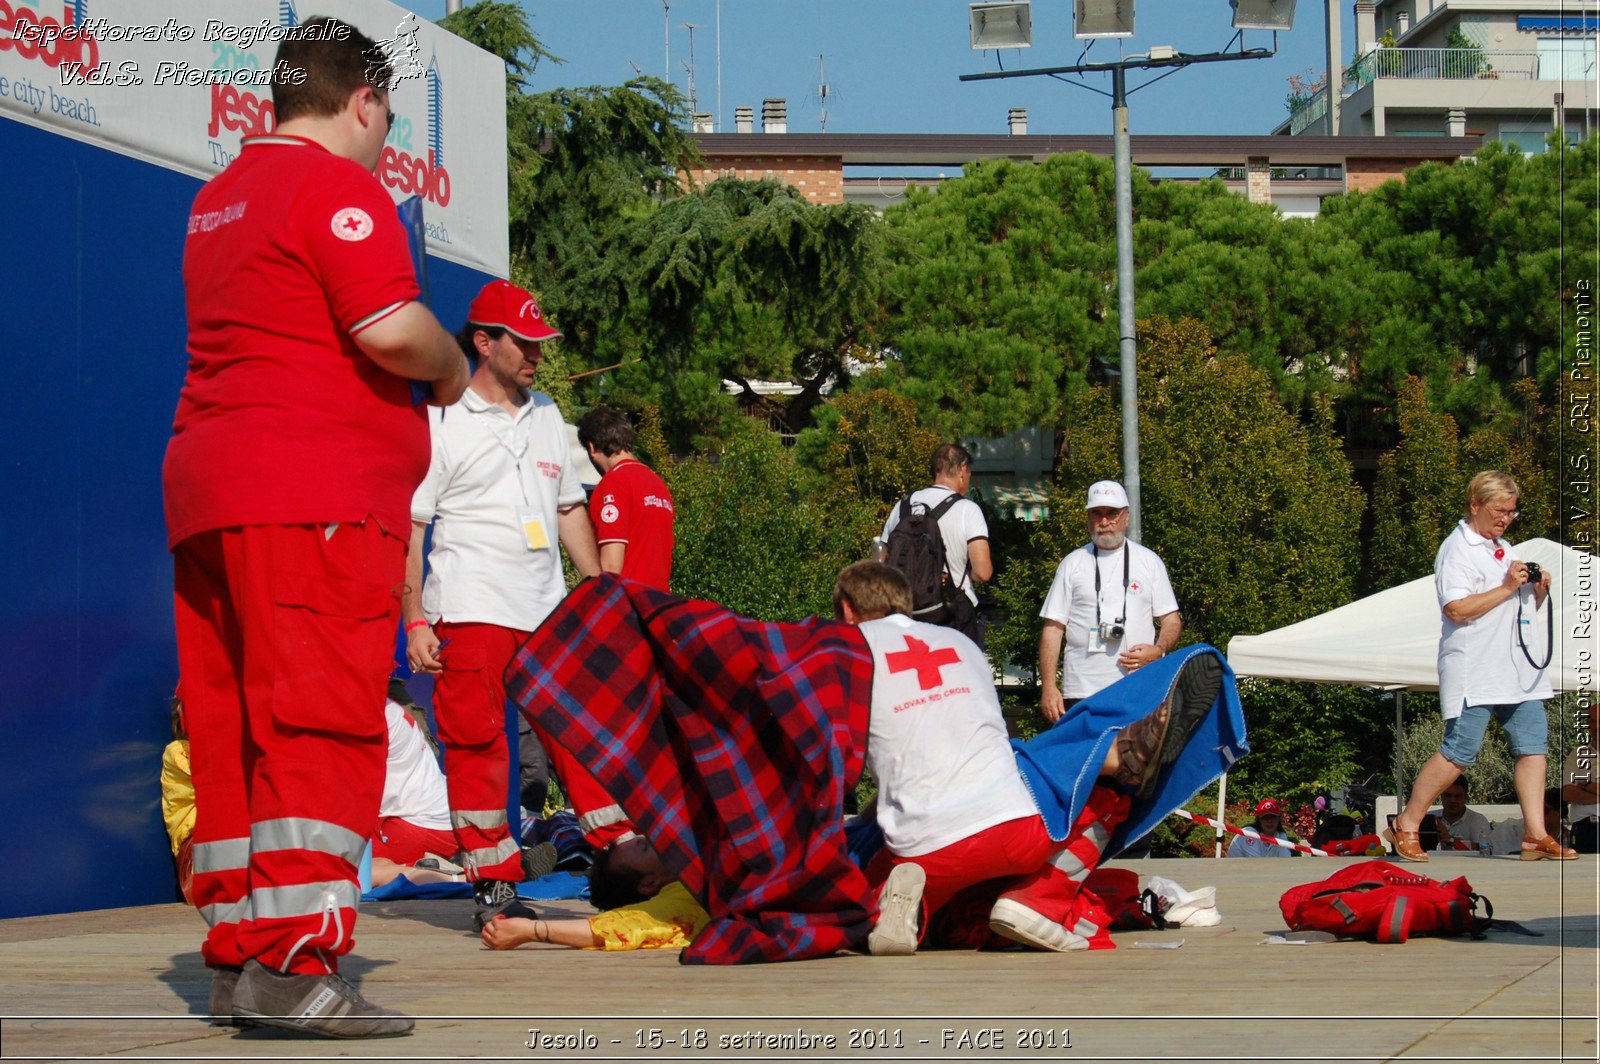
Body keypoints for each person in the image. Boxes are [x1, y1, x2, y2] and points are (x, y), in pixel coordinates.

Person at [163, 17, 471, 1038]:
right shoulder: (340, 189)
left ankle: (241, 955)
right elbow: (387, 327)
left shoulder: (218, 200)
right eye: (384, 118)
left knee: (233, 726)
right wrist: (451, 365)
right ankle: (297, 962)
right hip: (312, 498)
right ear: (367, 101)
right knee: (318, 723)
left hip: (211, 485)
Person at [834, 561, 1221, 955]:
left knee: (864, 852)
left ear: (847, 610)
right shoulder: (961, 644)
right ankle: (1039, 899)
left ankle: (896, 909)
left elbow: (837, 768)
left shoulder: (843, 654)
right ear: (906, 603)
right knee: (1077, 782)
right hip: (1015, 835)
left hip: (922, 855)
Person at [403, 279, 602, 928]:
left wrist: (600, 592)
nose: (537, 356)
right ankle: (491, 882)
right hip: (470, 609)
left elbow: (570, 509)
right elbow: (413, 527)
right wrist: (414, 619)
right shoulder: (440, 420)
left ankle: (624, 857)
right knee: (477, 744)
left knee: (581, 736)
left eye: (543, 344)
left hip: (548, 614)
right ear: (484, 343)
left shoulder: (548, 416)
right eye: (526, 343)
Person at [1387, 471, 1575, 863]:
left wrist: (1536, 593)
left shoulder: (1502, 548)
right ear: (1475, 506)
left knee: (1534, 748)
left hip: (1517, 669)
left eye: (1512, 512)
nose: (1506, 518)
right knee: (1459, 751)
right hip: (1477, 668)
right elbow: (1455, 608)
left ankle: (1535, 835)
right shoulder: (1457, 549)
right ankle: (1407, 823)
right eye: (1499, 510)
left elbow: (1512, 609)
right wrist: (1508, 587)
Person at [1039, 481, 1182, 723]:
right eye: (1097, 514)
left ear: (1126, 517)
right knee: (1088, 760)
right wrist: (1049, 687)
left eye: (1112, 514)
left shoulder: (1149, 561)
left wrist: (1159, 650)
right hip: (1082, 690)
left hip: (1137, 687)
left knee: (1136, 759)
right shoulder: (1072, 563)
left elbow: (1171, 620)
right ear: (1088, 517)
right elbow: (1053, 630)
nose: (1104, 522)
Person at [481, 836, 710, 952]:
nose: (658, 837)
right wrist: (530, 930)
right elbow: (614, 927)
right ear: (649, 883)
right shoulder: (679, 898)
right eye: (646, 846)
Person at [878, 443, 993, 644]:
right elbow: (983, 572)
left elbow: (880, 559)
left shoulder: (903, 506)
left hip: (905, 617)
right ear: (963, 469)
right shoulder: (968, 509)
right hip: (952, 618)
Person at [577, 408, 675, 590]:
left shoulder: (614, 483)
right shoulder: (657, 483)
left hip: (628, 606)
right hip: (658, 604)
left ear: (591, 447)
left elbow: (611, 568)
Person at [1562, 703, 1599, 854]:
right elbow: (1567, 793)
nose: (1596, 726)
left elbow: (1575, 790)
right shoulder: (1578, 754)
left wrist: (1585, 786)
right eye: (1592, 721)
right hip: (1585, 829)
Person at [1426, 780, 1491, 852]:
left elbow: (1485, 850)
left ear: (1465, 797)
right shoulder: (1428, 818)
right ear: (1441, 796)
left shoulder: (1478, 821)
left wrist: (1451, 840)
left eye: (1457, 796)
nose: (1452, 800)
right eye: (1448, 795)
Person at [1225, 799, 1298, 858]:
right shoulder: (1249, 833)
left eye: (1273, 817)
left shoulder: (1281, 835)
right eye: (1265, 817)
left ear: (1279, 818)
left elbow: (1285, 862)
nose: (1269, 821)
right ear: (1259, 819)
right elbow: (1258, 864)